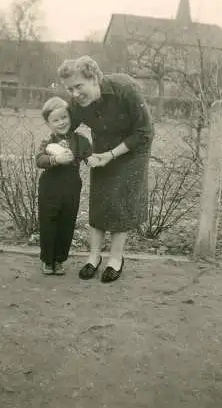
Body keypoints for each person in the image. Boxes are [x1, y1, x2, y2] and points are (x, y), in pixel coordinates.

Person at [57, 56, 154, 283]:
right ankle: (93, 257)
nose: (74, 94)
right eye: (69, 89)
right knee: (100, 200)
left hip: (133, 147)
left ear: (95, 79)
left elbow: (144, 131)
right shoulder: (76, 103)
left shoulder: (125, 89)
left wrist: (111, 155)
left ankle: (116, 259)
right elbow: (65, 129)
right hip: (102, 149)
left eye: (79, 86)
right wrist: (63, 146)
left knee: (120, 200)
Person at [36, 96, 92, 276]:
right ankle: (47, 260)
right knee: (48, 223)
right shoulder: (48, 140)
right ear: (48, 123)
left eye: (64, 117)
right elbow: (39, 160)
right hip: (50, 188)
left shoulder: (80, 140)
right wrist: (55, 159)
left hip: (71, 187)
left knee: (67, 223)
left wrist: (93, 160)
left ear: (70, 117)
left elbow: (89, 157)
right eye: (55, 120)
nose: (61, 123)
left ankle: (59, 260)